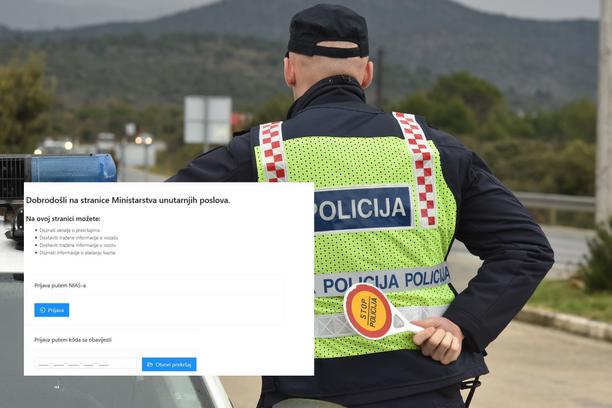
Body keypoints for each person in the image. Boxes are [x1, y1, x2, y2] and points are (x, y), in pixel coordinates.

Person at [168, 4, 554, 407]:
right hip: (424, 386)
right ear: (366, 73)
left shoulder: (261, 156)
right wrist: (463, 325)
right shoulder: (430, 151)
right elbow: (527, 249)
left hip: (308, 395)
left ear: (289, 70)